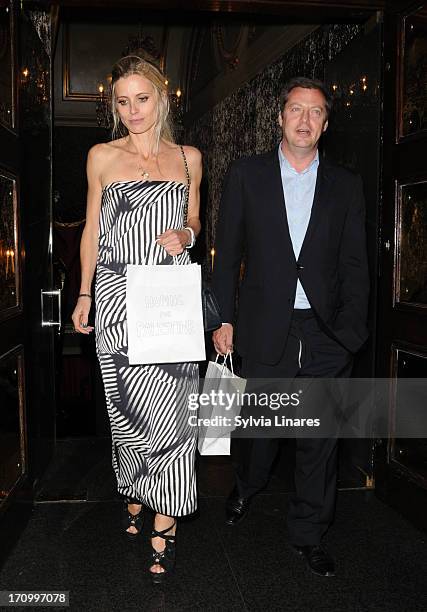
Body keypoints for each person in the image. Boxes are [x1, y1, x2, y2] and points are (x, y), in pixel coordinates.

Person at [212, 77, 369, 577]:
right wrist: (222, 319)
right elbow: (227, 254)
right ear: (280, 118)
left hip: (325, 333)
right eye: (296, 110)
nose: (305, 120)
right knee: (261, 433)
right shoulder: (246, 174)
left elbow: (355, 266)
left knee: (318, 441)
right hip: (264, 328)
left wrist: (349, 335)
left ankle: (308, 534)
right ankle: (247, 484)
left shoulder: (346, 185)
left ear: (325, 123)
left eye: (316, 112)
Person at [71, 55, 202, 583]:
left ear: (162, 96)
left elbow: (194, 216)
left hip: (169, 298)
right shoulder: (102, 155)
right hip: (120, 297)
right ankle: (134, 488)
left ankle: (164, 521)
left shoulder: (189, 156)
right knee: (128, 413)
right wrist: (84, 294)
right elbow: (90, 231)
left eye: (141, 98)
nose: (132, 110)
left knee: (174, 416)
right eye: (122, 101)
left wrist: (188, 236)